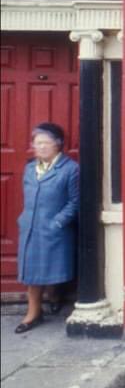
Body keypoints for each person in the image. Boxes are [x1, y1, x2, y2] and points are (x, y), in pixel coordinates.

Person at [15, 122, 79, 333]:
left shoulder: (70, 169)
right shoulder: (29, 168)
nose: (41, 147)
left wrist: (58, 222)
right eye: (37, 142)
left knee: (52, 267)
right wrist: (24, 218)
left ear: (58, 145)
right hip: (31, 227)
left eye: (46, 143)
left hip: (55, 228)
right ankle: (34, 313)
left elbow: (75, 202)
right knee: (32, 271)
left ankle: (54, 294)